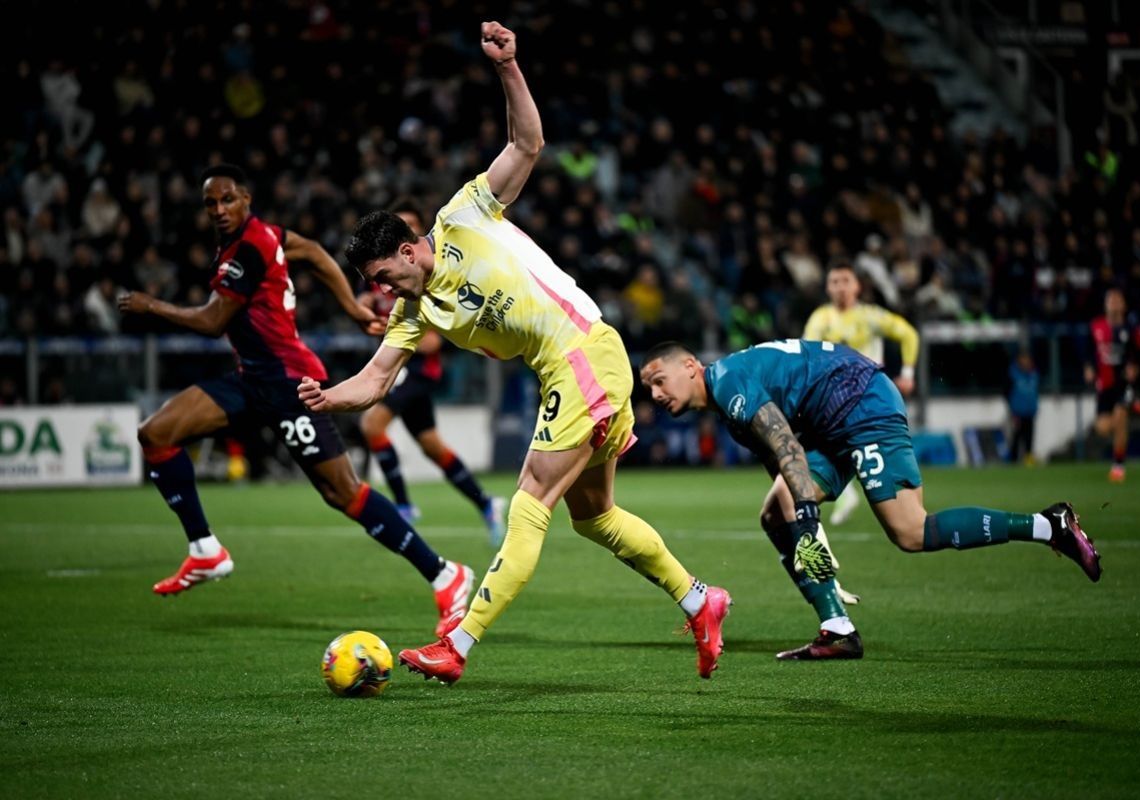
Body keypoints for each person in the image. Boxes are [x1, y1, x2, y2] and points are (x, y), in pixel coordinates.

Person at [298, 22, 729, 685]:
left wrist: (508, 68)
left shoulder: (464, 215)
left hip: (583, 352)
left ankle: (460, 645)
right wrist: (328, 395)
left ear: (411, 248)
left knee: (531, 495)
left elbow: (527, 143)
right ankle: (702, 600)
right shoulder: (416, 311)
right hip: (570, 368)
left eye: (384, 276)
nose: (381, 292)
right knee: (594, 518)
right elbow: (376, 378)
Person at [118, 163, 473, 638]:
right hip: (251, 380)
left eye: (228, 199)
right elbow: (313, 252)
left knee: (343, 493)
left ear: (246, 198)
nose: (219, 209)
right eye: (210, 203)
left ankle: (445, 575)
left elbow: (212, 321)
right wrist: (350, 305)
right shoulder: (264, 236)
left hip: (289, 384)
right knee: (156, 433)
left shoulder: (252, 244)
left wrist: (151, 306)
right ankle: (205, 549)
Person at [638, 339, 1101, 661]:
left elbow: (788, 449)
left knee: (910, 531)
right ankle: (837, 629)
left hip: (860, 402)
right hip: (832, 420)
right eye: (649, 390)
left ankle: (1048, 525)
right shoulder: (729, 399)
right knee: (775, 513)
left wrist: (807, 527)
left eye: (660, 380)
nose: (656, 395)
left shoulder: (730, 383)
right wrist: (808, 536)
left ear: (691, 366)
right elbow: (781, 465)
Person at [359, 201, 506, 543]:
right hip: (399, 373)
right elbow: (366, 306)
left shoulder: (431, 274)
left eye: (409, 225)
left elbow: (430, 344)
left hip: (419, 372)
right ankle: (486, 504)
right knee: (433, 447)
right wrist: (363, 310)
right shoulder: (384, 280)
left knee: (372, 424)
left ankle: (405, 507)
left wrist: (391, 331)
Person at [802, 261, 921, 600]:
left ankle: (856, 498)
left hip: (868, 402)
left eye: (845, 280)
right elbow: (806, 355)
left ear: (857, 286)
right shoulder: (821, 319)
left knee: (908, 525)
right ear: (827, 288)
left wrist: (909, 371)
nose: (839, 286)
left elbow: (908, 334)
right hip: (831, 408)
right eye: (834, 281)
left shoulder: (870, 316)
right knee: (800, 488)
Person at [1085, 288, 1140, 483]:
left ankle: (1118, 466)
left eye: (1117, 299)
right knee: (1103, 427)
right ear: (1105, 304)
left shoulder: (1132, 329)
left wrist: (1136, 368)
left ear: (1124, 305)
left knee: (1120, 415)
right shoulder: (1096, 326)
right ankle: (1134, 405)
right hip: (1104, 387)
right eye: (1110, 299)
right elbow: (1088, 351)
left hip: (1123, 384)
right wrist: (1088, 368)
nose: (1113, 302)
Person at [1005, 351, 1040, 465]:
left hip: (1030, 411)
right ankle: (1013, 461)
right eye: (1023, 359)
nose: (1026, 361)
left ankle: (1028, 459)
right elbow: (1006, 392)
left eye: (1027, 359)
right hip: (1017, 412)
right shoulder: (1013, 374)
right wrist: (1012, 406)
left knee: (1030, 437)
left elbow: (1036, 391)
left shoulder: (1034, 374)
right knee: (1017, 436)